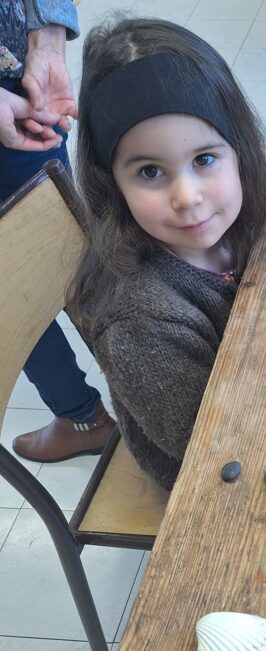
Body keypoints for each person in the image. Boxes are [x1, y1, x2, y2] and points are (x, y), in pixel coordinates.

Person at [68, 17, 266, 491]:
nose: (187, 197)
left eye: (204, 159)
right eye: (150, 172)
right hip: (213, 476)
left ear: (238, 151)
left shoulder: (248, 223)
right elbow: (215, 452)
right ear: (111, 184)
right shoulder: (139, 322)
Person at [1, 0, 116, 462]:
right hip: (18, 69)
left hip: (21, 77)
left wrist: (46, 42)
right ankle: (149, 395)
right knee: (60, 258)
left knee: (25, 279)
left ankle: (88, 416)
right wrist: (44, 42)